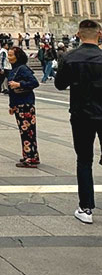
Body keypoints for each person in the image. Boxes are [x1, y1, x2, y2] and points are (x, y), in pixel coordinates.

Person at [54, 19, 102, 224]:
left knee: (84, 160)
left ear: (79, 35)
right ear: (99, 34)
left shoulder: (70, 57)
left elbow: (59, 85)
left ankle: (86, 208)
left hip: (81, 115)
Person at [6, 46, 40, 167]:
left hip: (25, 104)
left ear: (18, 57)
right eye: (8, 55)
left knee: (28, 132)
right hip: (19, 104)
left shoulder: (23, 69)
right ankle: (30, 155)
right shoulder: (14, 69)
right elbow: (11, 90)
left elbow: (35, 82)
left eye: (11, 55)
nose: (9, 58)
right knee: (25, 131)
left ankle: (30, 158)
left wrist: (19, 84)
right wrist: (12, 105)